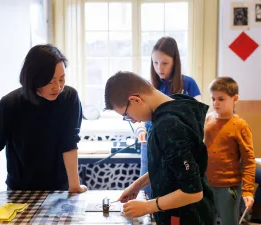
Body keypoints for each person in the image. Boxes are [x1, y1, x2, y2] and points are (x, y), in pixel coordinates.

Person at [0, 44, 87, 203]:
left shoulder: (69, 98)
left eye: (62, 79)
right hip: (19, 191)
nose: (58, 87)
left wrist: (74, 185)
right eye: (50, 81)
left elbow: (69, 142)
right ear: (34, 78)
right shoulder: (9, 104)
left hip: (59, 189)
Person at [104, 71, 215, 225]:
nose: (133, 121)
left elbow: (193, 192)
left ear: (135, 99)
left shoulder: (168, 125)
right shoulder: (178, 105)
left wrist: (147, 207)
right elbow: (171, 165)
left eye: (127, 115)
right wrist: (137, 185)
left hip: (187, 217)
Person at [136, 37, 201, 198]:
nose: (159, 68)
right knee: (148, 191)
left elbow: (198, 120)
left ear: (175, 61)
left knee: (176, 188)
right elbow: (141, 116)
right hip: (151, 142)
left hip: (179, 144)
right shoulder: (148, 85)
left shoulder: (188, 84)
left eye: (165, 63)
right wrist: (140, 129)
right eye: (155, 63)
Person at [204, 77, 255, 225]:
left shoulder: (240, 126)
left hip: (228, 187)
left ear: (235, 99)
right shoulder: (207, 120)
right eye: (213, 98)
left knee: (229, 221)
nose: (215, 103)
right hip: (206, 184)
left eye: (221, 99)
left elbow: (248, 161)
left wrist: (247, 190)